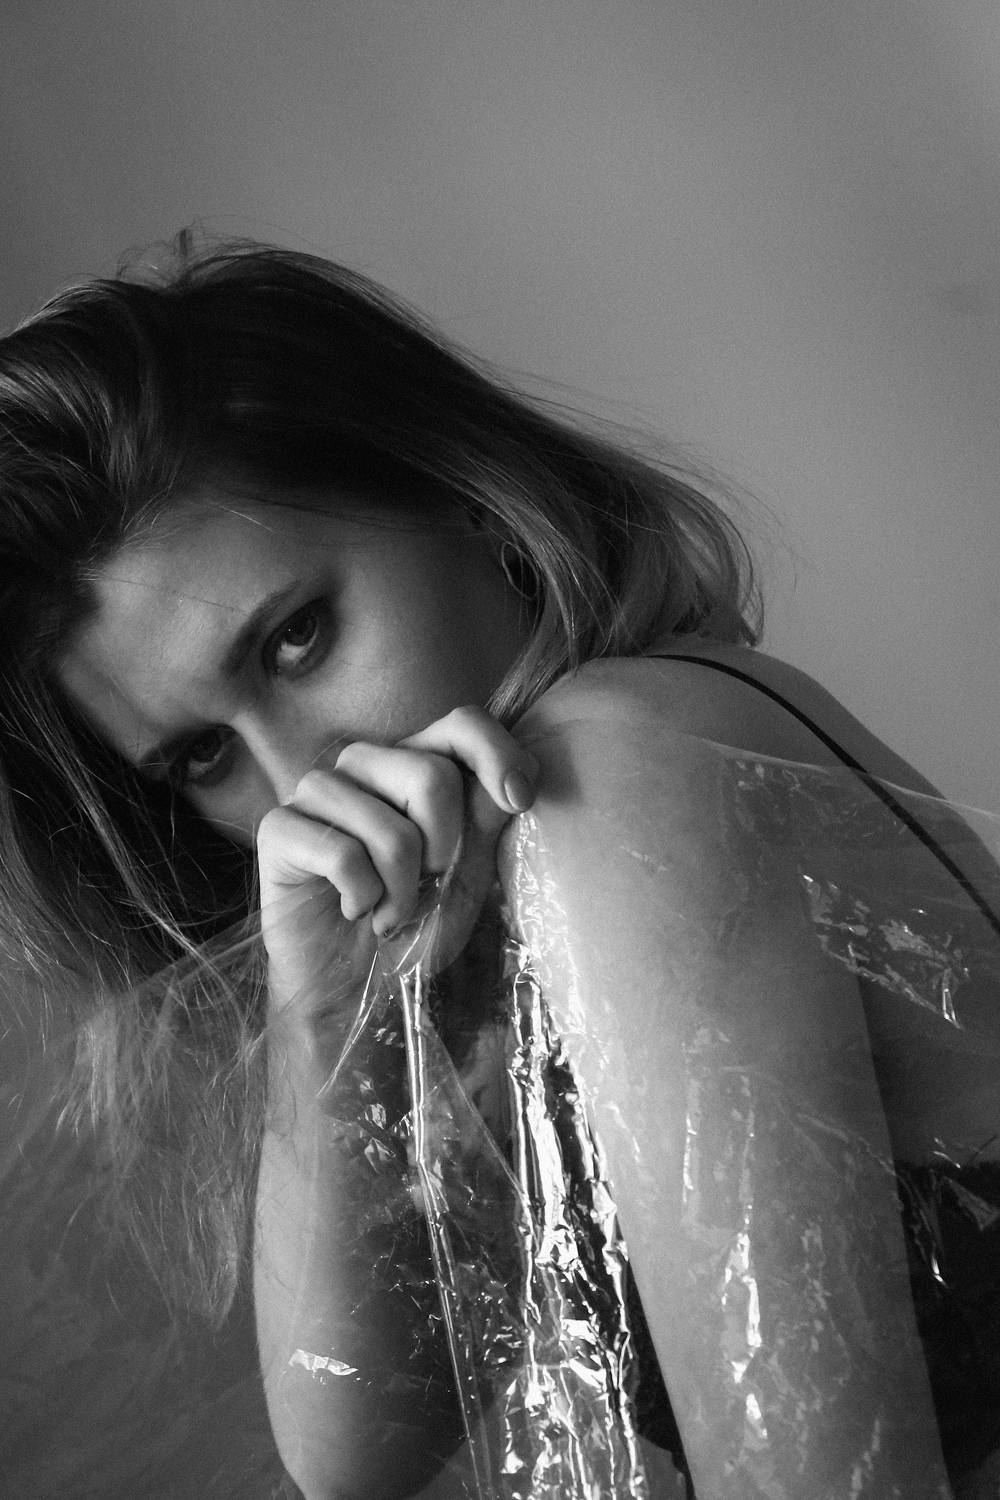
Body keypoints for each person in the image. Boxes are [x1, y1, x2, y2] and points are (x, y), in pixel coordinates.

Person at [0, 236, 997, 1499]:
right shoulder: (495, 902)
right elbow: (355, 1453)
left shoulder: (615, 777)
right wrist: (325, 1018)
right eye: (204, 757)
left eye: (297, 639)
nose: (302, 783)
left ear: (460, 494)